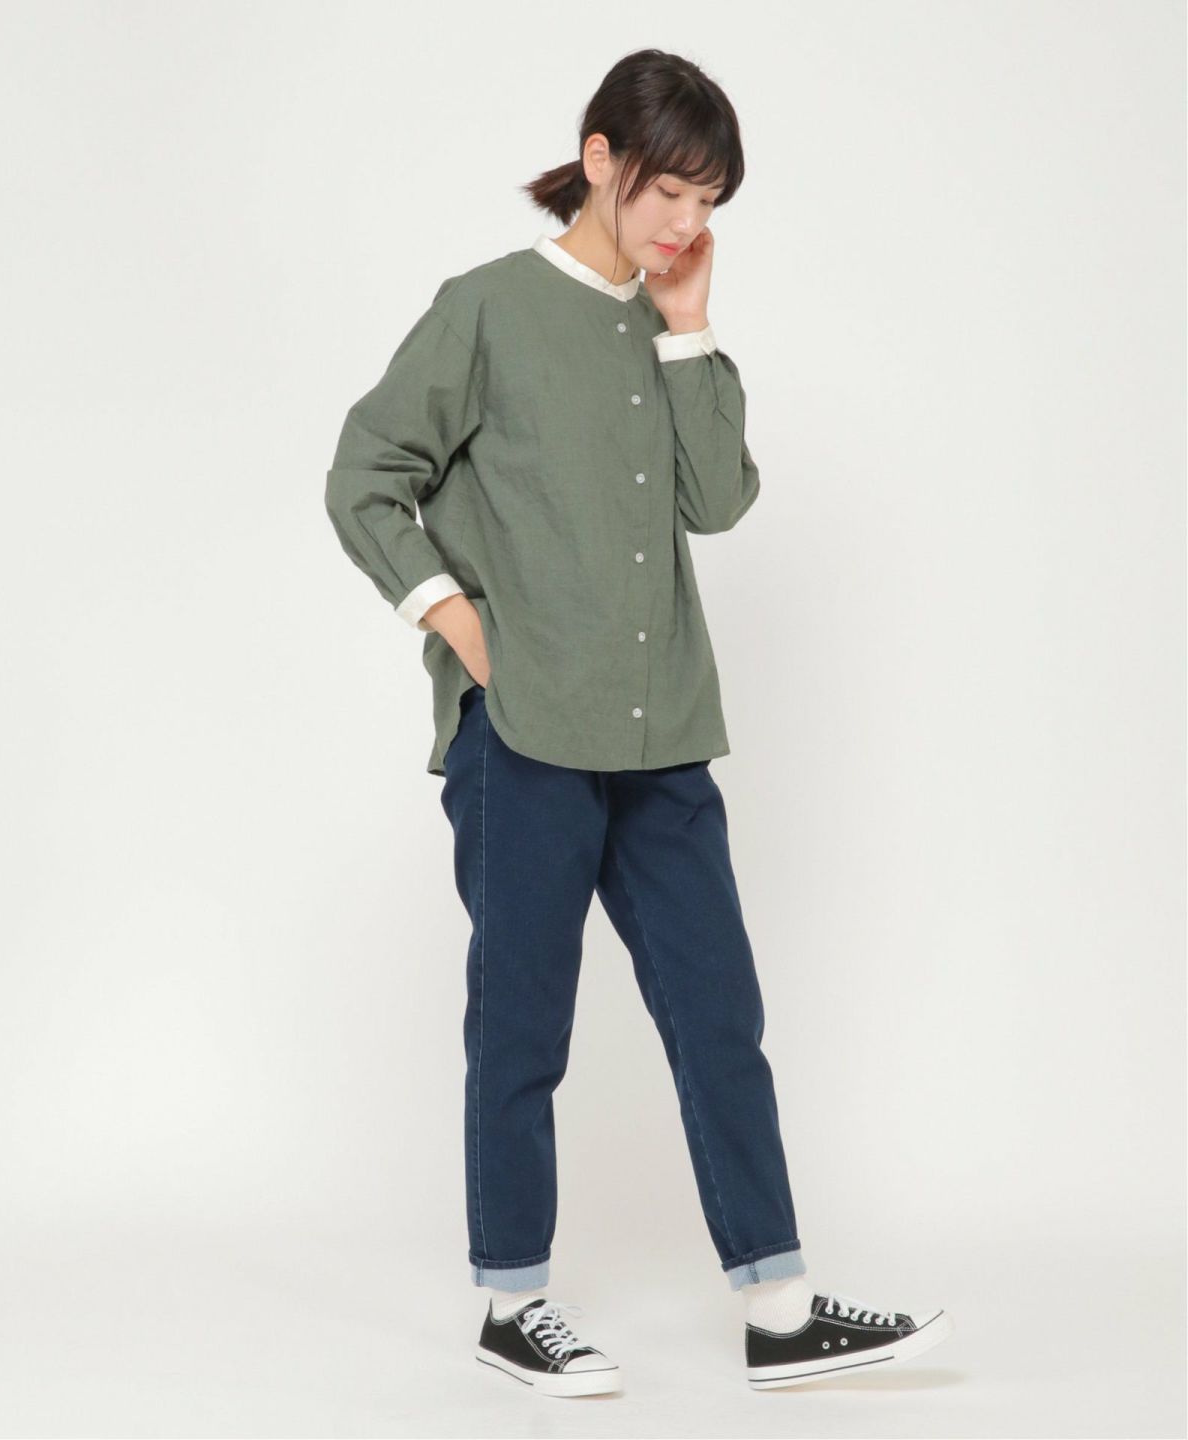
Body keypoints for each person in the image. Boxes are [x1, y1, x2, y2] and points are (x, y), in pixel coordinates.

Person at [324, 46, 953, 1396]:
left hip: (662, 727)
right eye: (668, 189)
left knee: (719, 1013)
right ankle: (512, 1304)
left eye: (708, 200)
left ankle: (780, 1311)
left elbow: (718, 500)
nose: (684, 220)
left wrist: (689, 326)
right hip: (525, 734)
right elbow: (365, 473)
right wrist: (458, 621)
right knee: (522, 1024)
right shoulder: (487, 309)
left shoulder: (667, 326)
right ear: (600, 159)